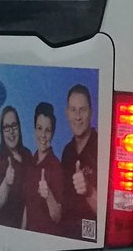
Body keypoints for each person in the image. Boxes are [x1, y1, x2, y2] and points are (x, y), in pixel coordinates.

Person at [60, 84, 99, 241]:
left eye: (82, 110)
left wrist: (89, 191)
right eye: (73, 110)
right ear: (67, 113)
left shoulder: (102, 147)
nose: (77, 117)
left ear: (91, 112)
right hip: (66, 238)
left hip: (91, 243)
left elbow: (109, 214)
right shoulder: (67, 152)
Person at [22, 102, 64, 235]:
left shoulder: (56, 167)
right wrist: (21, 234)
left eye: (48, 130)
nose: (43, 135)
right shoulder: (30, 163)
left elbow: (57, 217)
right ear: (34, 129)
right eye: (39, 128)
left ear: (53, 133)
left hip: (45, 243)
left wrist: (48, 195)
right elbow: (27, 207)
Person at [0, 106, 31, 229]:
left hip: (30, 233)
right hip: (6, 235)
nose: (11, 132)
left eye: (14, 126)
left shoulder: (28, 156)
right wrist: (6, 182)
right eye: (7, 128)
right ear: (2, 132)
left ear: (19, 128)